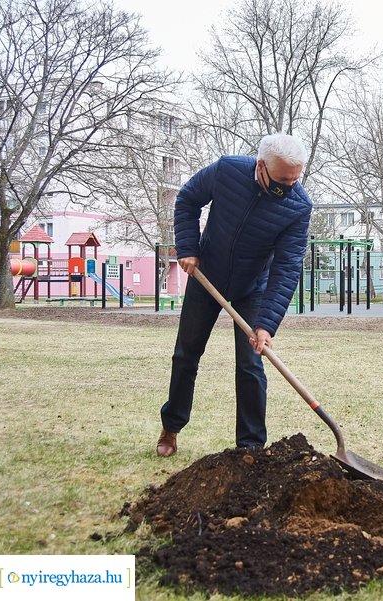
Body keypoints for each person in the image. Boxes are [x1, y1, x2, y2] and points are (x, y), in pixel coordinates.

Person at [156, 133, 312, 457]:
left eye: (296, 180)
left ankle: (251, 446)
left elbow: (287, 268)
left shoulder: (298, 207)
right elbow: (187, 200)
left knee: (251, 364)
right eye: (283, 180)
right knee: (186, 355)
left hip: (252, 287)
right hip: (206, 275)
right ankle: (171, 428)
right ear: (261, 167)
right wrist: (188, 248)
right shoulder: (228, 170)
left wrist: (266, 325)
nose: (290, 187)